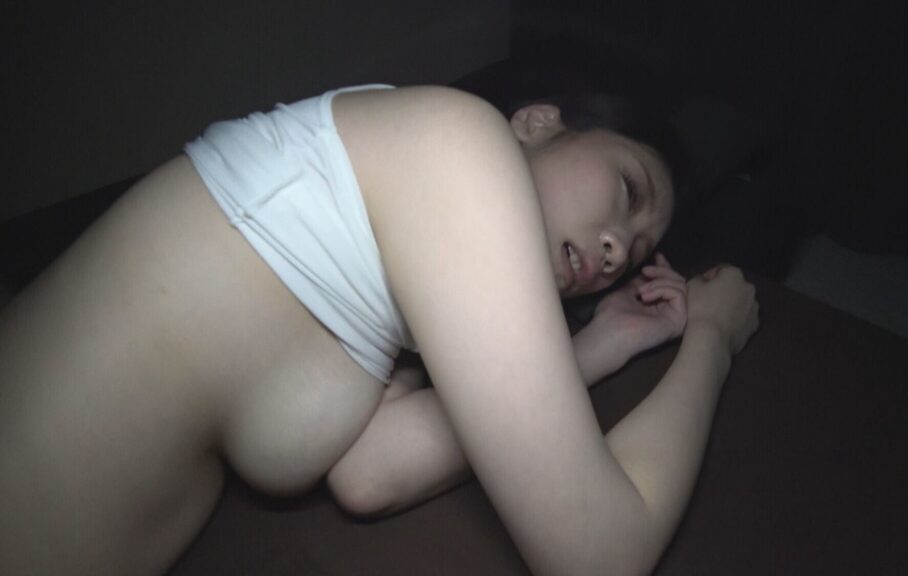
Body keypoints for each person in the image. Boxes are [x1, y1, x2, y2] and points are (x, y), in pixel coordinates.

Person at [0, 84, 759, 576]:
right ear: (537, 123)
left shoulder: (407, 258)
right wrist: (712, 338)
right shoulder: (458, 143)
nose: (618, 249)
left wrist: (602, 342)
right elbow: (601, 553)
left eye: (637, 255)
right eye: (627, 190)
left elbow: (369, 472)